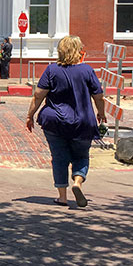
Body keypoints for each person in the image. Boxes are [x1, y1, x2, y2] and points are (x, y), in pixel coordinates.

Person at [26, 35, 106, 208]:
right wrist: (101, 113)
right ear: (78, 51)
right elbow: (99, 96)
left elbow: (38, 95)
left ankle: (62, 197)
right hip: (83, 123)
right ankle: (77, 182)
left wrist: (30, 115)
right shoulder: (87, 70)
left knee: (59, 158)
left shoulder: (51, 70)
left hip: (55, 122)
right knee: (81, 155)